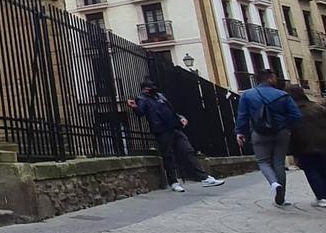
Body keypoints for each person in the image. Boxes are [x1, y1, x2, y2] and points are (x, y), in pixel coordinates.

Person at [127, 80, 225, 192]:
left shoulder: (161, 96)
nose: (153, 88)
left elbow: (171, 111)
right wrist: (134, 107)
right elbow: (140, 113)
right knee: (168, 156)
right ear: (145, 89)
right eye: (150, 87)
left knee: (188, 150)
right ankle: (173, 182)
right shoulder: (142, 99)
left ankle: (204, 177)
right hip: (162, 130)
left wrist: (180, 118)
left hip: (175, 128)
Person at [235, 68, 302, 207]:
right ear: (270, 78)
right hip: (281, 132)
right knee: (279, 163)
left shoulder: (247, 95)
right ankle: (281, 198)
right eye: (275, 77)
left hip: (259, 133)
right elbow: (296, 115)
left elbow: (242, 116)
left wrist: (240, 132)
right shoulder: (283, 95)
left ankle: (274, 183)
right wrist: (286, 127)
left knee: (263, 162)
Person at [286, 84, 326, 208]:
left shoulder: (291, 112)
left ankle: (322, 197)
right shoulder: (317, 107)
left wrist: (291, 151)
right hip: (323, 142)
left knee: (311, 170)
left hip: (304, 145)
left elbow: (290, 133)